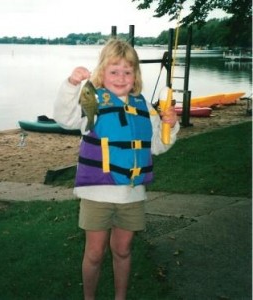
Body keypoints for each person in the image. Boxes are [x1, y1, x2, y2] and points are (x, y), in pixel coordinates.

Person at [54, 38, 179, 300]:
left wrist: (171, 125)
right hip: (97, 192)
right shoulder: (93, 101)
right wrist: (71, 85)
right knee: (95, 253)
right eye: (114, 71)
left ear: (135, 75)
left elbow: (157, 146)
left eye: (127, 71)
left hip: (132, 194)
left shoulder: (144, 106)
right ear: (102, 73)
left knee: (123, 250)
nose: (121, 77)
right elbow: (65, 118)